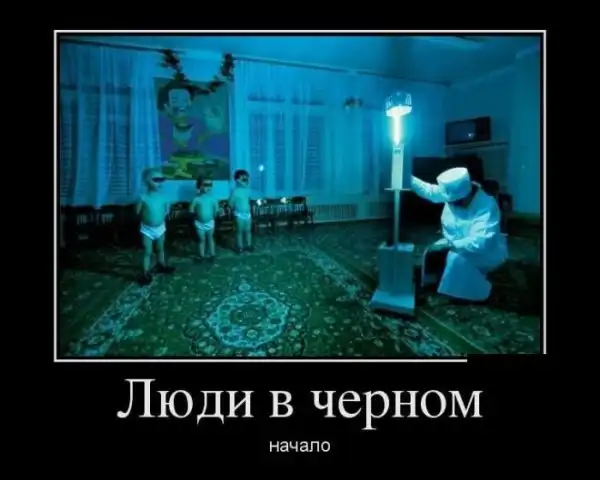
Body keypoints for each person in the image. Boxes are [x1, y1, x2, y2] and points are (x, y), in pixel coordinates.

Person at [411, 167, 508, 302]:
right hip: (454, 243)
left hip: (485, 251)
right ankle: (442, 281)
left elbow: (480, 242)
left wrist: (450, 245)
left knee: (456, 259)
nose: (451, 204)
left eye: (455, 202)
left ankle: (478, 292)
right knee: (431, 253)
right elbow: (428, 190)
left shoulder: (486, 205)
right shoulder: (453, 192)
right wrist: (405, 175)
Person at [136, 168, 176, 285]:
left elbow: (166, 210)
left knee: (160, 248)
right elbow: (137, 212)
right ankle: (145, 272)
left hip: (160, 228)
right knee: (147, 251)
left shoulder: (164, 197)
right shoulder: (143, 197)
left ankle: (161, 265)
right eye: (156, 180)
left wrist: (160, 218)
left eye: (161, 180)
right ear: (146, 181)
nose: (159, 182)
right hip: (147, 229)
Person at [189, 175, 219, 263]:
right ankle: (201, 255)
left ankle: (212, 254)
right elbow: (191, 210)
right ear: (199, 186)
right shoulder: (196, 199)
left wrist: (217, 213)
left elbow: (216, 209)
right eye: (205, 185)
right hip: (199, 223)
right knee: (201, 239)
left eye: (210, 185)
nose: (208, 187)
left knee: (210, 238)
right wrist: (193, 216)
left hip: (210, 222)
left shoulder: (213, 199)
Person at [228, 169, 254, 253]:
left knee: (248, 231)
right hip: (239, 215)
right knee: (239, 231)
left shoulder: (247, 190)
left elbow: (249, 201)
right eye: (243, 179)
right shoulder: (235, 191)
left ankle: (249, 245)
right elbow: (230, 203)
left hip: (248, 214)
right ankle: (240, 246)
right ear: (237, 180)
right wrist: (233, 210)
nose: (246, 181)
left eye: (246, 179)